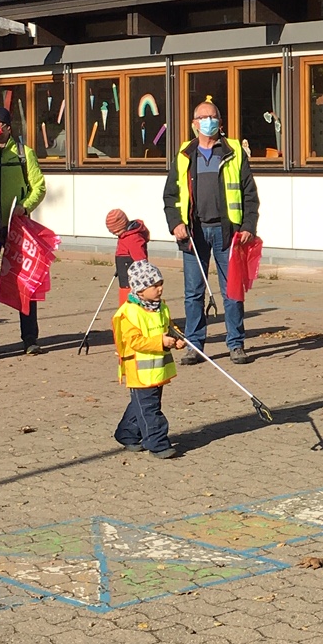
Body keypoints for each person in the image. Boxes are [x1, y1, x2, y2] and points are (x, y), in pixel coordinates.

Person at [166, 100, 260, 362]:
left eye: (213, 117)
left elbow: (250, 195)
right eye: (203, 117)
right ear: (194, 124)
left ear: (220, 122)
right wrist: (175, 222)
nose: (208, 121)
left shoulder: (234, 152)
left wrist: (248, 226)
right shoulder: (185, 153)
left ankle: (236, 344)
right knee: (193, 293)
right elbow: (170, 195)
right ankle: (194, 345)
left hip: (227, 232)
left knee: (231, 290)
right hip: (194, 234)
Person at [0, 105, 49, 356]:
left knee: (25, 282)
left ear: (8, 128)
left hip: (17, 225)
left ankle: (30, 338)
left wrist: (24, 206)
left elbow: (38, 187)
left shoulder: (24, 153)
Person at [112, 260, 185, 458]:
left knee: (142, 406)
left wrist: (177, 338)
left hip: (157, 369)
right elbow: (135, 341)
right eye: (154, 286)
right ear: (140, 290)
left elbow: (169, 326)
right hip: (139, 371)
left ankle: (126, 434)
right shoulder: (128, 313)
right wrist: (160, 341)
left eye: (161, 283)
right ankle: (158, 443)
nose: (160, 289)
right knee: (150, 409)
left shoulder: (160, 307)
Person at [107, 209, 151, 291]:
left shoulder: (132, 238)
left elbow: (141, 260)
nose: (115, 234)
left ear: (122, 226)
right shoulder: (125, 235)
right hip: (124, 269)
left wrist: (144, 276)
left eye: (116, 232)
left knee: (128, 296)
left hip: (132, 277)